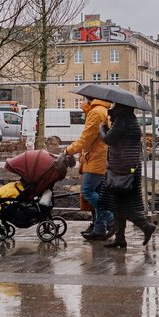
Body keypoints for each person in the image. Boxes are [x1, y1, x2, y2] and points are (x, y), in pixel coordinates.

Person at [86, 103, 156, 248]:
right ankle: (120, 238)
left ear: (123, 108)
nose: (112, 109)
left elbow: (108, 139)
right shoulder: (131, 120)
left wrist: (102, 128)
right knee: (116, 205)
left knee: (123, 206)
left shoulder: (122, 120)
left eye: (115, 106)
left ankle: (145, 226)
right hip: (127, 168)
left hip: (121, 169)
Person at [55, 96, 113, 238]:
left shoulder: (96, 112)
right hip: (98, 157)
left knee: (87, 191)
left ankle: (111, 219)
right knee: (98, 193)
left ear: (89, 99)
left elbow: (86, 140)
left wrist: (67, 150)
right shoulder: (101, 110)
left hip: (95, 159)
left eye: (84, 99)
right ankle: (99, 229)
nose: (82, 101)